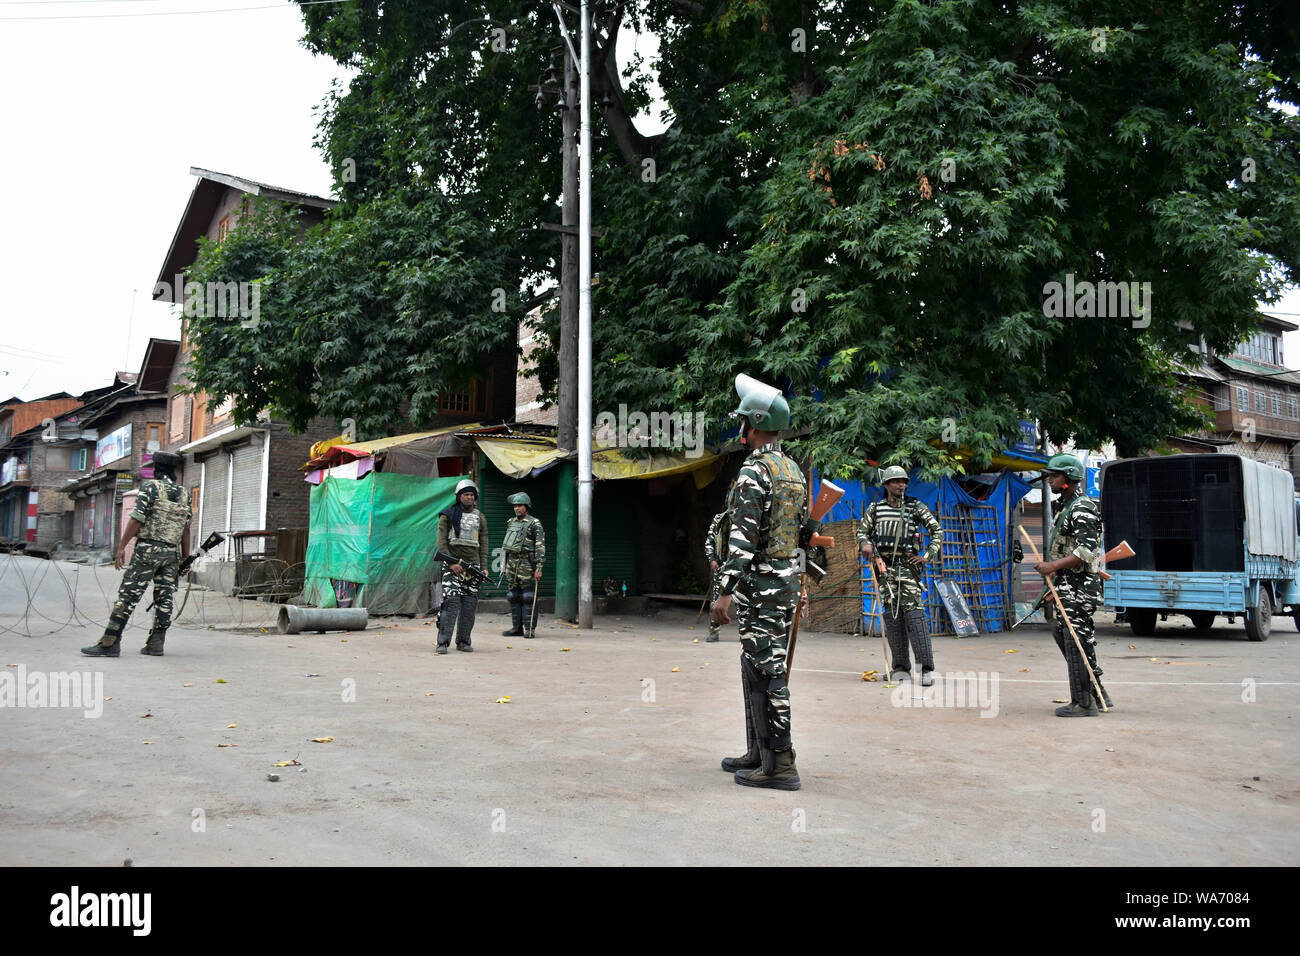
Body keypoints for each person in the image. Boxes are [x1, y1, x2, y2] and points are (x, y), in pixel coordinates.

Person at [711, 373, 807, 790]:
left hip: (760, 585)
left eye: (744, 423)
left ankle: (781, 765)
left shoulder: (755, 472)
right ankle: (759, 751)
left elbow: (743, 539)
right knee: (757, 666)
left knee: (768, 673)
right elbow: (798, 534)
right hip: (782, 582)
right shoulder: (792, 470)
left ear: (752, 424)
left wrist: (724, 591)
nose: (742, 431)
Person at [82, 450, 191, 658]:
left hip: (147, 551)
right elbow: (186, 528)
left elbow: (137, 519)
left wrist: (122, 546)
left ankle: (110, 642)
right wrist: (185, 558)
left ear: (156, 469)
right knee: (165, 597)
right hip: (171, 554)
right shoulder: (184, 494)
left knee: (128, 595)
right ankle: (156, 644)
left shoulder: (150, 488)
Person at [1033, 453, 1111, 717]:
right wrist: (1053, 588)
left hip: (1080, 587)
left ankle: (1084, 703)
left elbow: (1086, 552)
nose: (1050, 480)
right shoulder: (1066, 506)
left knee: (1077, 641)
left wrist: (1051, 567)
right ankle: (1096, 694)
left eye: (1054, 476)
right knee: (1070, 638)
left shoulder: (1081, 508)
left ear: (1069, 479)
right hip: (1068, 585)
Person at [857, 465, 943, 685]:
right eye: (895, 481)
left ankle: (925, 670)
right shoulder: (876, 509)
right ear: (886, 484)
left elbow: (937, 531)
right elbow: (862, 532)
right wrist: (865, 544)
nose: (901, 485)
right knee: (893, 619)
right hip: (884, 569)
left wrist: (926, 555)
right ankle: (900, 669)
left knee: (915, 616)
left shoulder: (915, 507)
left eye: (903, 481)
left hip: (908, 567)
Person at [436, 478, 489, 654]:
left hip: (473, 566)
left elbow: (483, 543)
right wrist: (451, 562)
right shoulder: (447, 515)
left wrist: (483, 566)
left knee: (469, 605)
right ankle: (442, 643)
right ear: (459, 496)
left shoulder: (480, 517)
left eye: (472, 495)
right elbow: (441, 542)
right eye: (466, 494)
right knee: (451, 602)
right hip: (452, 566)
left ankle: (464, 641)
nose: (469, 498)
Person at [501, 492, 545, 639]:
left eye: (520, 505)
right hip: (512, 562)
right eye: (515, 506)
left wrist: (539, 567)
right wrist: (504, 565)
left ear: (526, 507)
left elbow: (540, 546)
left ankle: (529, 629)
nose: (517, 508)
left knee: (528, 596)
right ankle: (516, 628)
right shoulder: (510, 522)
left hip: (527, 562)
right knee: (513, 596)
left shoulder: (534, 523)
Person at [703, 510, 729, 642]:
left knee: (747, 601)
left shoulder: (750, 516)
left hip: (743, 567)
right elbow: (710, 541)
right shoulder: (719, 518)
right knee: (716, 601)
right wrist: (712, 558)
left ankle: (748, 633)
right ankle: (714, 631)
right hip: (722, 566)